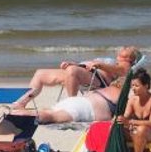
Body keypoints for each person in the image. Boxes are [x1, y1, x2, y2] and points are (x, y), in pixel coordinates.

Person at [12, 46, 142, 108]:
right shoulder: (111, 60)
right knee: (40, 73)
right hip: (82, 72)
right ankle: (22, 103)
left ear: (130, 58)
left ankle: (71, 104)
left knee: (72, 71)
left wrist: (99, 65)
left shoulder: (125, 66)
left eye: (128, 49)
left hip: (98, 80)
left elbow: (117, 71)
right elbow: (84, 66)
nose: (124, 47)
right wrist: (73, 64)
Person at [13, 84, 122, 124]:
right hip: (83, 109)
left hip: (74, 101)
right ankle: (19, 113)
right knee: (52, 116)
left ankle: (21, 109)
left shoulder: (106, 89)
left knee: (51, 111)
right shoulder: (122, 95)